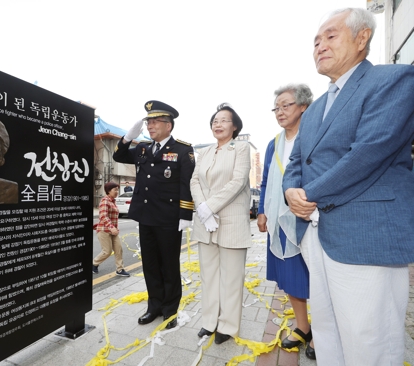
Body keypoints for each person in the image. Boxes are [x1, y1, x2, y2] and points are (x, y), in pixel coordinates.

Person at [283, 8, 414, 366]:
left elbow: (369, 153)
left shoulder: (394, 80)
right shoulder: (315, 109)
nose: (319, 46)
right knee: (326, 332)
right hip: (316, 234)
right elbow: (297, 163)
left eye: (330, 36)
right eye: (315, 41)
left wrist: (308, 194)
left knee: (370, 339)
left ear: (362, 38)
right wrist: (291, 190)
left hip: (365, 233)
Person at [113, 100, 195, 329]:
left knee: (169, 265)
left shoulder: (182, 149)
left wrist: (185, 215)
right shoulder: (142, 149)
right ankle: (154, 306)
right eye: (148, 121)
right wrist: (127, 138)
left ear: (169, 125)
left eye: (155, 121)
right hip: (146, 216)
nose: (150, 126)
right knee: (150, 264)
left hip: (169, 218)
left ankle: (170, 310)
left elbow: (185, 184)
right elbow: (118, 156)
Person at [257, 84, 315, 359]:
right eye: (276, 107)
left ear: (303, 106)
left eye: (286, 105)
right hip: (280, 221)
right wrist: (261, 211)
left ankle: (325, 333)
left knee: (318, 279)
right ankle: (303, 326)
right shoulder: (274, 144)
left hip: (310, 217)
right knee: (291, 277)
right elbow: (266, 180)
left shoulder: (316, 135)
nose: (279, 112)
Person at [190, 103, 251, 344]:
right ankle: (209, 321)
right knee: (209, 275)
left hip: (231, 221)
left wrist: (210, 206)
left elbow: (238, 181)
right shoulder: (203, 152)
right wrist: (203, 209)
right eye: (215, 120)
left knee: (231, 277)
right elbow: (194, 181)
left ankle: (228, 326)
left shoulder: (241, 148)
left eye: (224, 120)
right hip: (206, 222)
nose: (218, 123)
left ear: (234, 126)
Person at [93, 182, 130, 277]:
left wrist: (114, 229)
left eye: (117, 189)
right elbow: (103, 216)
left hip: (113, 230)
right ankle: (94, 264)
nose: (117, 192)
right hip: (104, 230)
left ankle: (120, 269)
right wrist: (111, 227)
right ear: (109, 191)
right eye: (115, 190)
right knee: (107, 251)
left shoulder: (113, 201)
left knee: (118, 249)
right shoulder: (105, 201)